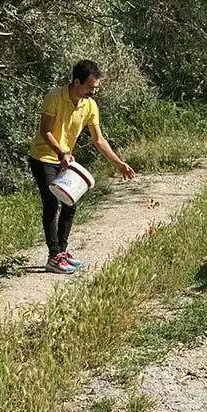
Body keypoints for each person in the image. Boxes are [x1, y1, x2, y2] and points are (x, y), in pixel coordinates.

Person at [29, 59, 137, 274]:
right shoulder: (54, 97)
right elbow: (45, 131)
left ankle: (62, 252)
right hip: (43, 157)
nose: (93, 92)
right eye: (90, 87)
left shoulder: (90, 105)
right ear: (77, 82)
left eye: (96, 87)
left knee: (70, 203)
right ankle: (53, 257)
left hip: (65, 158)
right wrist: (62, 153)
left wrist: (118, 163)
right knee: (51, 203)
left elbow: (99, 140)